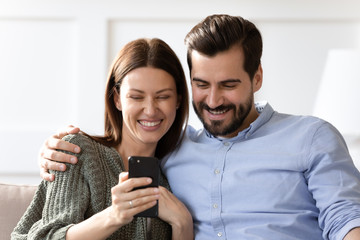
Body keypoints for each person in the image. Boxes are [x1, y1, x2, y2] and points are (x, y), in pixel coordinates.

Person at [37, 14, 360, 240]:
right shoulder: (172, 149)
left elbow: (345, 216)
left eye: (229, 84)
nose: (214, 100)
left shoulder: (310, 136)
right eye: (202, 84)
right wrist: (54, 149)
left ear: (257, 77)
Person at [12, 38, 194, 240]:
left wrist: (182, 222)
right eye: (136, 97)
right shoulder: (78, 152)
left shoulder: (178, 175)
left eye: (163, 97)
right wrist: (114, 216)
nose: (150, 110)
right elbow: (45, 236)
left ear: (178, 99)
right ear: (117, 98)